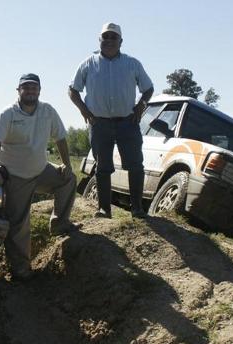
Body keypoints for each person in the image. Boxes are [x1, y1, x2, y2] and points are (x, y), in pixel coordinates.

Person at [0, 73, 80, 280]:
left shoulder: (47, 111)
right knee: (19, 224)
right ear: (18, 90)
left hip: (40, 171)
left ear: (39, 90)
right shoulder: (7, 114)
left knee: (68, 179)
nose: (30, 91)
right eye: (26, 87)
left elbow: (61, 138)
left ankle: (60, 224)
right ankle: (20, 269)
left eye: (34, 88)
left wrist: (66, 163)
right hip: (16, 176)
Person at [69, 22, 154, 218]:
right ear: (99, 40)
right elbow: (73, 90)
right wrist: (84, 110)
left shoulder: (132, 64)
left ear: (121, 41)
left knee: (135, 164)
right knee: (103, 166)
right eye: (105, 37)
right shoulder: (88, 64)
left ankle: (137, 208)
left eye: (113, 37)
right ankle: (104, 209)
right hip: (99, 123)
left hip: (128, 122)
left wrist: (141, 106)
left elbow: (148, 89)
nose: (109, 40)